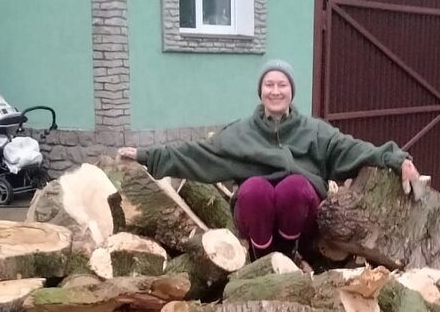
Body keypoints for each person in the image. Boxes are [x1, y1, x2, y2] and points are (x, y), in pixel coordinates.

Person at [118, 59, 421, 257]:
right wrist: (147, 156)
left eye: (282, 85)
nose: (275, 91)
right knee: (254, 190)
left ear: (291, 91)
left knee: (294, 187)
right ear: (260, 91)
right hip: (257, 220)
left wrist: (397, 158)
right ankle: (262, 257)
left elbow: (354, 149)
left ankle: (289, 253)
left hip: (302, 222)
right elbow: (198, 154)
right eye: (269, 85)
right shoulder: (240, 133)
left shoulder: (315, 131)